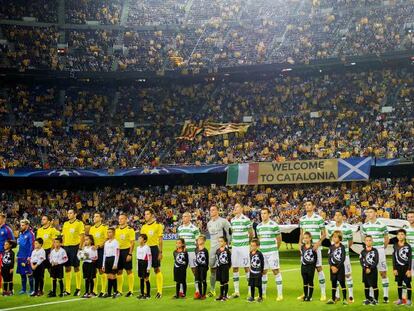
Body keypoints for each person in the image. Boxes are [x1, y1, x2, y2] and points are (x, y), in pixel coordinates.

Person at [298, 200, 326, 301]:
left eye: (309, 205)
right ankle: (306, 293)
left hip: (315, 248)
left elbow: (324, 234)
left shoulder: (319, 218)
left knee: (319, 268)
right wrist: (299, 243)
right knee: (305, 270)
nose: (307, 206)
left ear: (313, 206)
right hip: (305, 249)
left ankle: (323, 293)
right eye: (306, 205)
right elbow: (301, 234)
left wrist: (318, 243)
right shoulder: (302, 219)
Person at [361, 206, 389, 303]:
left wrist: (381, 248)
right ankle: (371, 297)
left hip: (380, 251)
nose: (369, 214)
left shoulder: (382, 225)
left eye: (371, 212)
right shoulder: (365, 226)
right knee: (370, 273)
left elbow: (386, 239)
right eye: (367, 212)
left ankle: (386, 296)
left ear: (376, 213)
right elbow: (364, 239)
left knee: (383, 273)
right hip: (369, 252)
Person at [325, 210, 354, 302]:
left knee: (348, 275)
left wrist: (343, 251)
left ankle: (351, 296)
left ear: (343, 217)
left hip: (345, 256)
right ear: (334, 217)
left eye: (339, 215)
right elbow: (331, 241)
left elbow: (350, 242)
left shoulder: (347, 228)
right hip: (334, 257)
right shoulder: (330, 228)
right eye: (335, 215)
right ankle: (336, 296)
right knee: (335, 275)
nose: (337, 217)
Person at [256, 207, 283, 300]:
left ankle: (280, 294)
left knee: (276, 271)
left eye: (264, 213)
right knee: (263, 272)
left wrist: (276, 249)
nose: (263, 215)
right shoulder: (258, 226)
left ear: (269, 214)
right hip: (263, 253)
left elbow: (279, 239)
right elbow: (259, 239)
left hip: (272, 252)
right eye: (261, 214)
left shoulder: (274, 225)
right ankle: (263, 294)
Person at [207, 205, 231, 297]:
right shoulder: (209, 223)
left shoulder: (223, 221)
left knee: (223, 269)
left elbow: (229, 233)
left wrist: (228, 246)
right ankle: (212, 290)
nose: (211, 211)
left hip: (222, 250)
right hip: (213, 249)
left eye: (213, 210)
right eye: (210, 210)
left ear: (217, 211)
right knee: (212, 269)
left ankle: (225, 291)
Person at [230, 203, 253, 298]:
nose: (235, 208)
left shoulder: (246, 220)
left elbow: (251, 234)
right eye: (234, 207)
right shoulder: (232, 220)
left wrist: (247, 244)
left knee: (246, 267)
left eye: (237, 207)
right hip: (235, 247)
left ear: (242, 208)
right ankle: (236, 291)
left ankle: (250, 291)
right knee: (235, 268)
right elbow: (233, 233)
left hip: (244, 247)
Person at [140, 208, 164, 299]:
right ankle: (146, 292)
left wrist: (160, 252)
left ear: (152, 215)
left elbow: (161, 240)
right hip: (145, 249)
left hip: (154, 248)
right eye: (145, 214)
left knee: (156, 269)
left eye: (147, 214)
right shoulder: (143, 227)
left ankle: (159, 291)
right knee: (145, 270)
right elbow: (142, 240)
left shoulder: (158, 226)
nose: (145, 216)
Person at [62, 209, 85, 296]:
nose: (69, 214)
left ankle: (78, 288)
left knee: (76, 267)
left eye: (71, 213)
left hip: (75, 247)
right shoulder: (65, 224)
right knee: (67, 268)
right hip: (66, 248)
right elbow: (63, 236)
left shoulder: (79, 223)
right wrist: (63, 247)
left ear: (75, 214)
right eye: (68, 213)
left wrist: (80, 248)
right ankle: (67, 290)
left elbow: (82, 236)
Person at [177, 212, 200, 298]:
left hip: (192, 252)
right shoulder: (179, 228)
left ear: (190, 218)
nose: (183, 218)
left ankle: (198, 290)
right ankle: (181, 291)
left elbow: (198, 241)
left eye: (185, 216)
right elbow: (179, 241)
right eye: (183, 216)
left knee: (195, 271)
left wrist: (197, 251)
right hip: (182, 253)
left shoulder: (194, 228)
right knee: (181, 271)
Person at [36, 215, 60, 295]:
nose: (42, 220)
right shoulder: (39, 230)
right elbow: (38, 242)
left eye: (44, 219)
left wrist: (51, 252)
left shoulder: (52, 230)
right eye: (42, 219)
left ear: (49, 221)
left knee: (51, 271)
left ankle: (53, 289)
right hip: (41, 252)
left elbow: (54, 241)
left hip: (49, 252)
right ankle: (41, 290)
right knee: (40, 271)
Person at [115, 213, 135, 297]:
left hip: (126, 251)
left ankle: (131, 290)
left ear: (126, 219)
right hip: (118, 252)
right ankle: (119, 290)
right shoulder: (116, 230)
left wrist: (130, 254)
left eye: (122, 218)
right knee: (119, 271)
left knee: (128, 270)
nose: (120, 220)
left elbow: (132, 243)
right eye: (119, 219)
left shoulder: (130, 229)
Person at [88, 212, 108, 297]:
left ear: (101, 218)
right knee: (93, 271)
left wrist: (99, 246)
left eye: (96, 216)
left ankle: (103, 290)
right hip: (93, 250)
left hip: (101, 250)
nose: (94, 218)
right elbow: (89, 239)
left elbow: (107, 238)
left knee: (101, 270)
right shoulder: (91, 228)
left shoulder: (104, 227)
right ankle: (94, 290)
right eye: (94, 216)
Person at [326, 231, 347, 305]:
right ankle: (333, 298)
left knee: (342, 283)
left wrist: (337, 267)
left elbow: (343, 258)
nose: (334, 238)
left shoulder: (342, 247)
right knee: (333, 283)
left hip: (340, 268)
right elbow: (329, 258)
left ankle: (345, 299)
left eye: (335, 237)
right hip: (332, 268)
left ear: (340, 238)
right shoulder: (331, 247)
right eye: (333, 237)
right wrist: (332, 266)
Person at [392, 229, 412, 306]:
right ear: (397, 236)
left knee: (407, 283)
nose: (400, 236)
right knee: (399, 283)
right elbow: (394, 258)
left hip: (406, 268)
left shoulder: (408, 246)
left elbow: (410, 258)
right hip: (398, 268)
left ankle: (409, 300)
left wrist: (409, 269)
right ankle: (400, 299)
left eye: (402, 234)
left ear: (405, 236)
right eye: (399, 234)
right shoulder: (395, 245)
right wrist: (394, 268)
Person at [17, 219, 35, 295]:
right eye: (21, 225)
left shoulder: (30, 234)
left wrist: (30, 256)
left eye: (23, 225)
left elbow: (32, 245)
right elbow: (20, 246)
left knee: (29, 274)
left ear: (27, 225)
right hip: (20, 256)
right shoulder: (21, 234)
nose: (21, 226)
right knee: (22, 274)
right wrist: (17, 255)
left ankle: (31, 290)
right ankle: (23, 289)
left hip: (27, 257)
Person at [360, 235, 379, 305]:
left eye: (370, 240)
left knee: (374, 285)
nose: (368, 242)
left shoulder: (375, 250)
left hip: (373, 270)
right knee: (366, 285)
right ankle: (368, 299)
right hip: (365, 271)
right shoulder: (362, 252)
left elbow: (376, 261)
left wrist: (370, 268)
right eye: (367, 240)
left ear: (372, 241)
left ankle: (376, 300)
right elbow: (361, 262)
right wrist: (365, 268)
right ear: (365, 242)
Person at [102, 227, 120, 299]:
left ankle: (115, 292)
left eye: (110, 232)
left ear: (114, 233)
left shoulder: (116, 242)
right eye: (108, 232)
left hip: (113, 259)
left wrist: (115, 263)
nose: (109, 234)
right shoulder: (106, 243)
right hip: (107, 259)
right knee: (108, 276)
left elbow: (117, 253)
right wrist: (103, 264)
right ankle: (109, 293)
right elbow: (104, 254)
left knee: (113, 276)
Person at [300, 232, 317, 302]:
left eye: (307, 238)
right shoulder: (302, 247)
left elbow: (315, 258)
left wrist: (313, 265)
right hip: (304, 267)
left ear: (310, 238)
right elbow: (302, 256)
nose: (305, 239)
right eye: (304, 238)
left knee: (310, 281)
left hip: (311, 267)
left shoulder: (313, 247)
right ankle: (306, 296)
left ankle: (310, 296)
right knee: (305, 282)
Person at [0, 213, 15, 290]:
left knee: (7, 272)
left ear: (3, 219)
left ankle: (10, 288)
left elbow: (13, 241)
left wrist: (7, 251)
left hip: (3, 254)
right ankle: (2, 287)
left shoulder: (7, 229)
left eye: (0, 218)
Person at [247, 238, 264, 303]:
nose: (252, 247)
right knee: (252, 285)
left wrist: (261, 271)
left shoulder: (259, 254)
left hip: (258, 272)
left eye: (254, 246)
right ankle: (252, 296)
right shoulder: (250, 253)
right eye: (251, 245)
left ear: (257, 246)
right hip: (252, 272)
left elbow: (262, 263)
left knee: (259, 285)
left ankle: (260, 297)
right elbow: (250, 261)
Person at [215, 236, 231, 301]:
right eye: (219, 241)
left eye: (221, 241)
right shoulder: (217, 250)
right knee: (221, 281)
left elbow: (229, 261)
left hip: (225, 267)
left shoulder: (227, 251)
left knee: (225, 281)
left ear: (225, 242)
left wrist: (227, 267)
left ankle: (225, 296)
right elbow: (217, 259)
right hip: (219, 268)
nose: (220, 243)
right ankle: (221, 295)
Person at [136, 234, 152, 299]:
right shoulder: (138, 248)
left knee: (146, 279)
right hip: (139, 263)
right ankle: (142, 293)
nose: (139, 239)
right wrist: (137, 266)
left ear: (144, 240)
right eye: (139, 238)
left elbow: (149, 258)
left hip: (145, 263)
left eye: (140, 238)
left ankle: (148, 294)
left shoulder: (147, 247)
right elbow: (137, 258)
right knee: (141, 278)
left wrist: (148, 267)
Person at [194, 235, 209, 300]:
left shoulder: (205, 250)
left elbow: (207, 260)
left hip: (203, 267)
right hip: (197, 267)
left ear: (204, 241)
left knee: (203, 280)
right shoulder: (196, 249)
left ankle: (204, 294)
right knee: (198, 281)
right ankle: (200, 294)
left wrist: (206, 267)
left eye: (200, 240)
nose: (198, 241)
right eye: (198, 240)